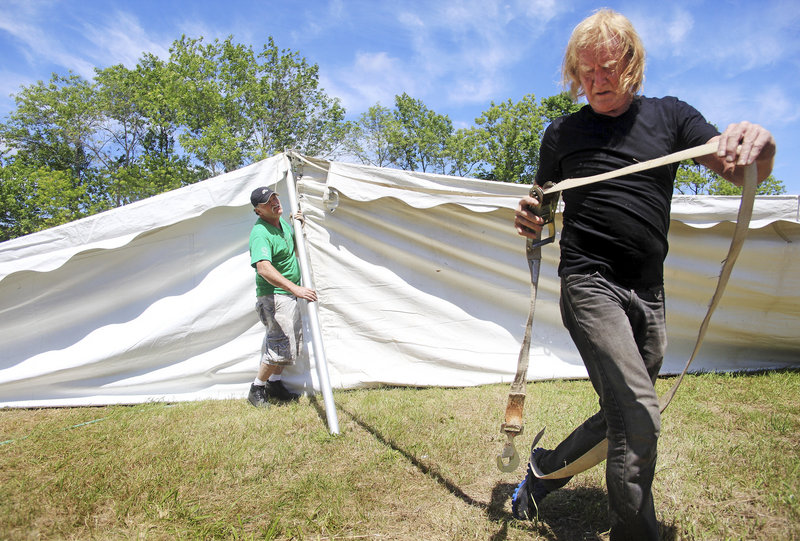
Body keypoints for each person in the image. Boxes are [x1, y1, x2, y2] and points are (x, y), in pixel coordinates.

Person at [511, 9, 776, 540]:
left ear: (631, 65)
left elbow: (740, 165)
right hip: (589, 284)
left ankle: (541, 474)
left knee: (625, 415)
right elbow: (540, 205)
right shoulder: (561, 133)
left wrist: (759, 147)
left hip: (648, 293)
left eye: (607, 68)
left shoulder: (672, 116)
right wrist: (529, 218)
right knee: (637, 413)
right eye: (585, 73)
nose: (596, 82)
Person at [247, 186, 318, 407]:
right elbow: (263, 268)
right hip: (274, 297)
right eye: (268, 202)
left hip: (287, 295)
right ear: (259, 210)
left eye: (275, 197)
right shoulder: (260, 233)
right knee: (278, 345)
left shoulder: (281, 225)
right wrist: (295, 289)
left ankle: (275, 384)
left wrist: (298, 226)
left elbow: (293, 251)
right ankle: (257, 388)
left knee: (289, 345)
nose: (275, 202)